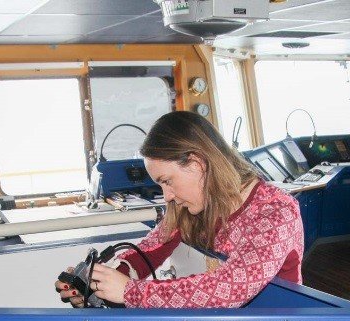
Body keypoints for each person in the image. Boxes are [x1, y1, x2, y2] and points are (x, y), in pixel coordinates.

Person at [55, 110, 304, 308]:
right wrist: (101, 283)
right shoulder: (192, 205)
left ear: (197, 163)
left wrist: (130, 292)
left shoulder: (274, 211)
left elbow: (231, 288)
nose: (167, 196)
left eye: (167, 181)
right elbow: (149, 251)